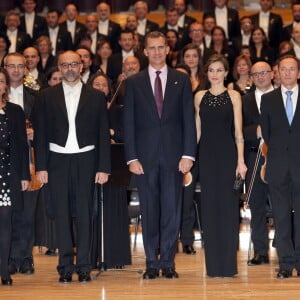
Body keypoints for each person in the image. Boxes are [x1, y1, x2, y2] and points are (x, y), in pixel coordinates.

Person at [124, 31, 197, 279]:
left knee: (171, 210)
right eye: (151, 48)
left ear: (168, 50)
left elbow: (189, 120)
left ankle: (167, 261)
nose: (156, 52)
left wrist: (188, 154)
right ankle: (151, 263)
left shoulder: (181, 80)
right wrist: (131, 157)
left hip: (175, 158)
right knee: (150, 210)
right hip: (144, 159)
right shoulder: (133, 83)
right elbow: (129, 123)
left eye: (160, 47)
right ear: (144, 51)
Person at [33, 50, 111, 283]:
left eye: (74, 64)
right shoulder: (46, 96)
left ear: (82, 66)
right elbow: (41, 133)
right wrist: (41, 166)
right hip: (57, 161)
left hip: (87, 160)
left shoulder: (96, 96)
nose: (69, 68)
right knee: (61, 213)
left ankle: (84, 265)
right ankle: (65, 265)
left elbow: (102, 135)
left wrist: (103, 167)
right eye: (65, 65)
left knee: (85, 213)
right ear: (59, 67)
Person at [194, 54, 247, 277]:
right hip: (205, 156)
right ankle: (213, 266)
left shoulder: (234, 95)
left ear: (226, 73)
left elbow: (239, 133)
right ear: (207, 73)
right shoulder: (199, 96)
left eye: (219, 70)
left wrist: (241, 161)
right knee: (209, 208)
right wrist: (190, 159)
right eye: (211, 70)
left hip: (227, 156)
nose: (215, 74)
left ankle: (228, 265)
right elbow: (196, 132)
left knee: (227, 208)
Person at [260, 55, 300, 279]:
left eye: (291, 69)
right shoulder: (268, 99)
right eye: (283, 69)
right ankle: (285, 262)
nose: (287, 73)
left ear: (298, 73)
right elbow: (267, 134)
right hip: (278, 166)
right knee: (281, 216)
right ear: (277, 73)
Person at [88, 72, 131, 269]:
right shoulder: (85, 108)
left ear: (109, 89)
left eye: (103, 85)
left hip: (114, 167)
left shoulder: (117, 110)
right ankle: (93, 255)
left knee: (114, 208)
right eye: (96, 84)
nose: (100, 88)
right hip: (91, 165)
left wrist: (112, 132)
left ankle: (116, 257)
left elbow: (126, 134)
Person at [4, 52, 38, 276]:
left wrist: (36, 132)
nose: (16, 70)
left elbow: (47, 124)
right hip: (5, 162)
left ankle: (25, 257)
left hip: (30, 160)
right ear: (4, 69)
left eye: (20, 66)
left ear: (26, 70)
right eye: (11, 66)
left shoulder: (37, 97)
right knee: (8, 214)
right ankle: (9, 258)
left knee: (27, 211)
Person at [242, 61, 274, 266]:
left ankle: (287, 249)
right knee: (257, 206)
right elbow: (237, 130)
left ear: (272, 74)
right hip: (254, 157)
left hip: (280, 157)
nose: (260, 77)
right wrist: (256, 131)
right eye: (256, 74)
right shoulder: (244, 101)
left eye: (264, 73)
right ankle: (260, 251)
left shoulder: (283, 96)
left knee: (284, 205)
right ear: (251, 78)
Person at [0, 67, 30, 285]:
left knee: (5, 223)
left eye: (1, 81)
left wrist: (24, 175)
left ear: (5, 86)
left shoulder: (15, 111)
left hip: (7, 176)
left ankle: (4, 270)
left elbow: (21, 146)